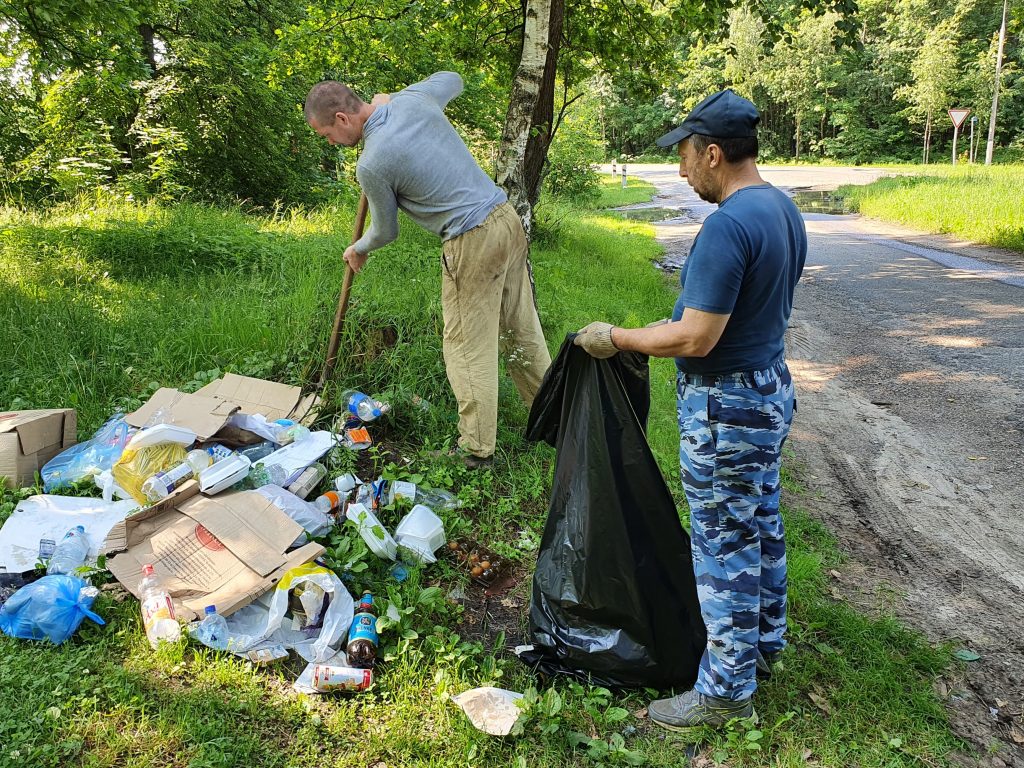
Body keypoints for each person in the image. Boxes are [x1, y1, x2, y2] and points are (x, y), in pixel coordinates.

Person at [573, 89, 806, 731]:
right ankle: (762, 646)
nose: (680, 171)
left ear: (712, 153)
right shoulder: (781, 209)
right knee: (758, 519)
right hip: (766, 386)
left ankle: (725, 692)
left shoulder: (729, 225)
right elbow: (720, 319)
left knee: (723, 543)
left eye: (683, 156)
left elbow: (697, 337)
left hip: (726, 406)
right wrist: (660, 328)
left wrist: (617, 337)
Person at [304, 72, 551, 469]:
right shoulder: (414, 100)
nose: (330, 143)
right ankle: (555, 421)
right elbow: (454, 79)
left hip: (471, 240)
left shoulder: (372, 163)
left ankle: (475, 451)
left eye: (326, 134)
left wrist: (358, 247)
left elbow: (386, 231)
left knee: (467, 348)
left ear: (343, 118)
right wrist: (396, 96)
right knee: (520, 329)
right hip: (506, 219)